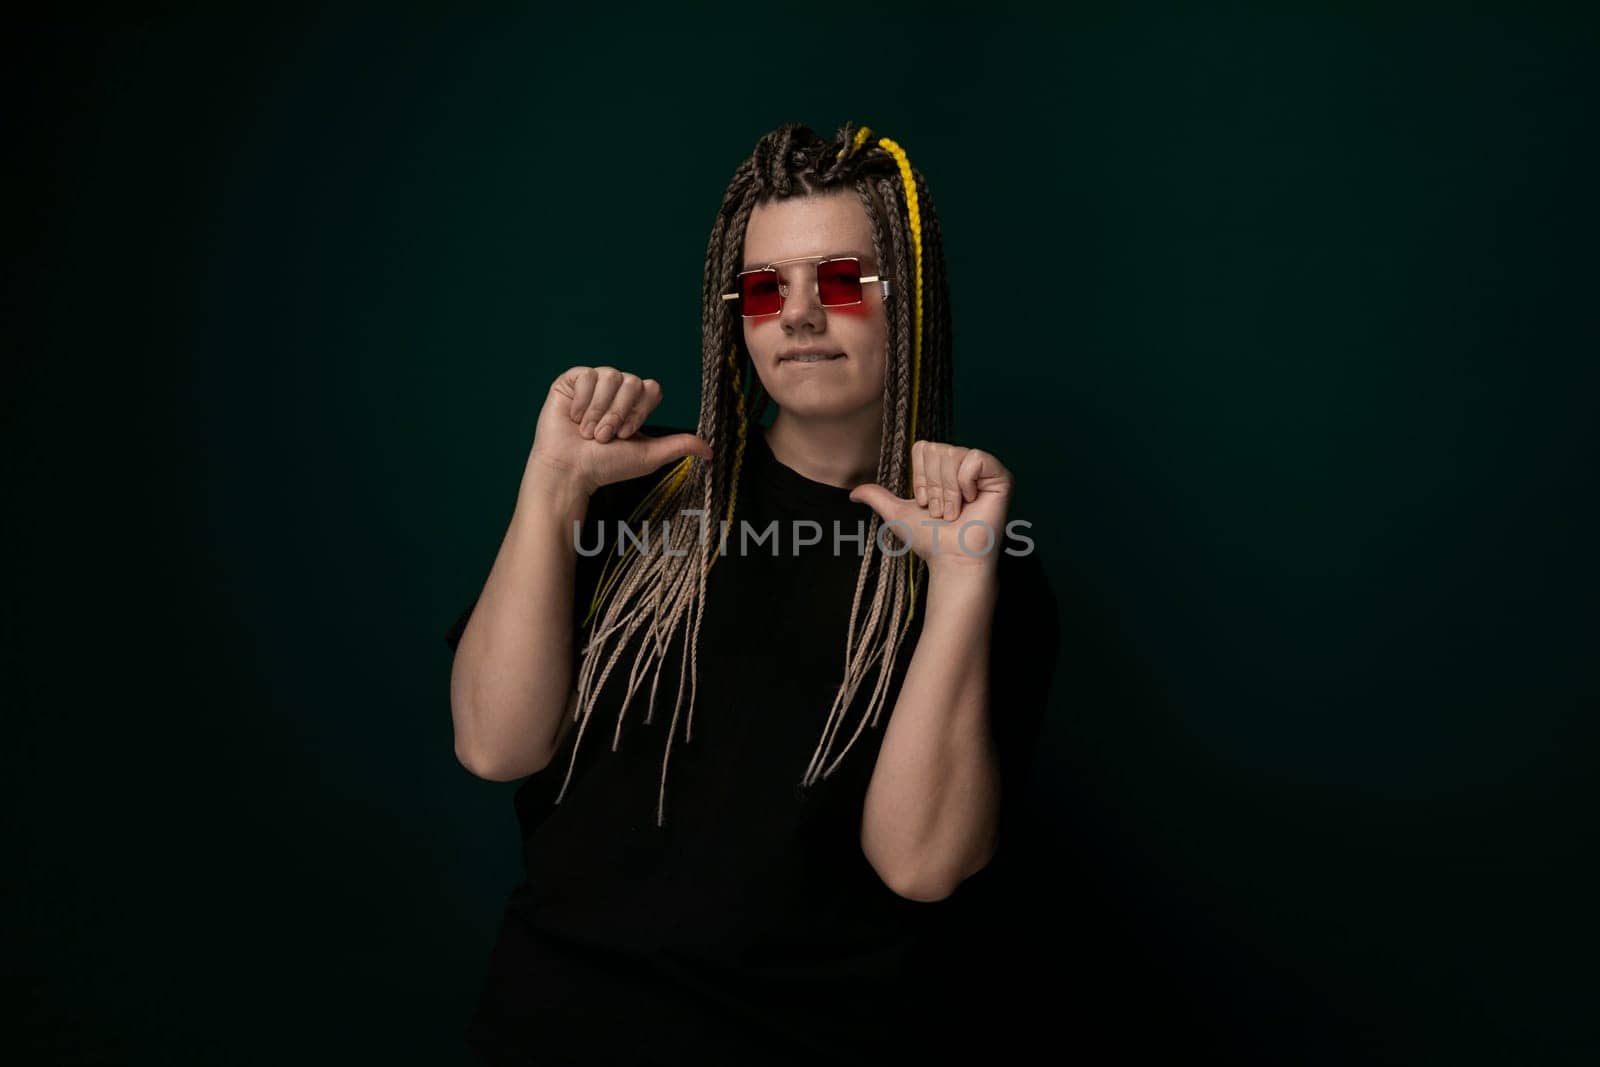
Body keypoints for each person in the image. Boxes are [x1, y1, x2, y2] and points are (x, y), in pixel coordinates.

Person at [445, 121, 1060, 1065]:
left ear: (913, 299)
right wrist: (552, 487)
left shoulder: (981, 562)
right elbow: (493, 744)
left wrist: (964, 586)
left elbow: (923, 864)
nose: (801, 316)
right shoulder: (624, 497)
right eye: (767, 287)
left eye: (844, 281)